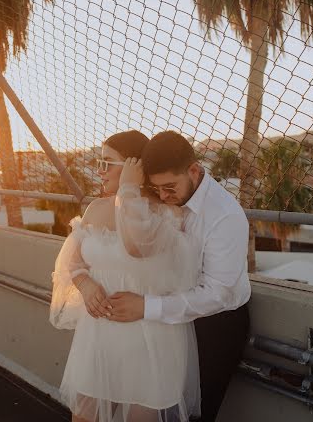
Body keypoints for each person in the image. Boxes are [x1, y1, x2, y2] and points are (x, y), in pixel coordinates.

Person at [50, 130, 201, 422]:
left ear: (136, 167)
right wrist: (85, 283)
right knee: (82, 416)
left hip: (148, 339)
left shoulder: (168, 213)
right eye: (99, 162)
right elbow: (73, 260)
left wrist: (129, 191)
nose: (99, 171)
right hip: (99, 335)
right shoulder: (95, 209)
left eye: (108, 163)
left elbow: (136, 247)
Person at [104, 131, 251, 422]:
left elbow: (216, 294)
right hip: (164, 321)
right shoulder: (162, 198)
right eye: (156, 188)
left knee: (193, 414)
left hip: (214, 325)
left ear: (194, 171)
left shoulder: (225, 215)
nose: (163, 196)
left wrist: (145, 307)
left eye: (169, 187)